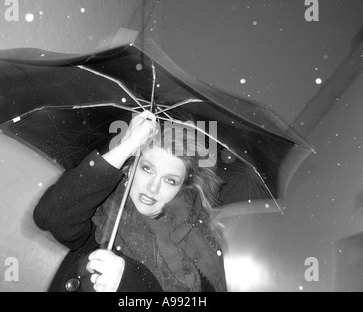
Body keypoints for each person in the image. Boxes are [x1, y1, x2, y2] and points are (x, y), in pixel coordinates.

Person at [33, 111, 227, 292]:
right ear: (130, 168)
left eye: (170, 180)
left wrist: (127, 281)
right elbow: (50, 215)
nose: (153, 188)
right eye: (147, 169)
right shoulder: (101, 211)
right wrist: (128, 144)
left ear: (183, 188)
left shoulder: (199, 245)